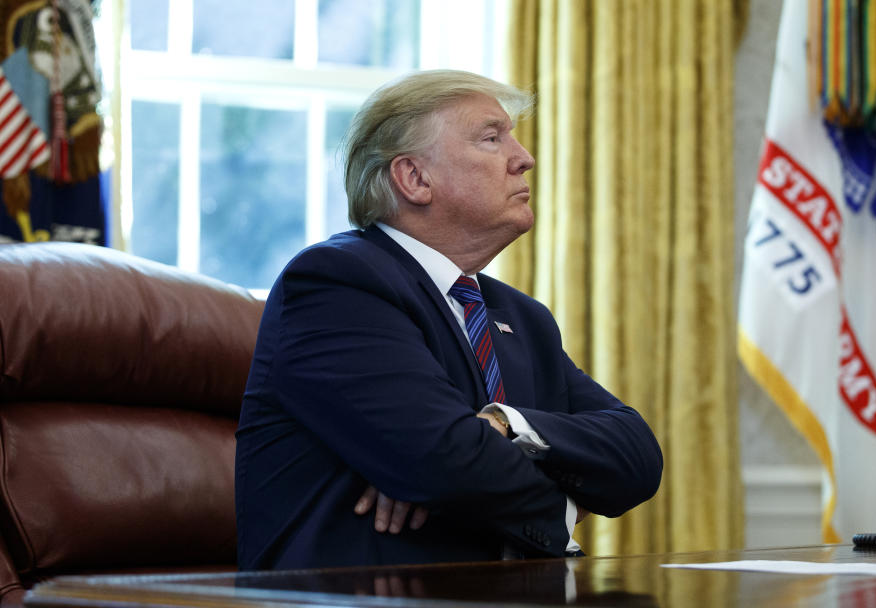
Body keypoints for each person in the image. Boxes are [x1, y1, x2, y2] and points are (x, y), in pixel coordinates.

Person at [235, 70, 662, 570]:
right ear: (415, 178)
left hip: (512, 605)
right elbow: (444, 462)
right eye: (491, 138)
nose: (524, 158)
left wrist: (504, 425)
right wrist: (569, 494)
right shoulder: (338, 283)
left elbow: (637, 457)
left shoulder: (521, 317)